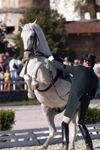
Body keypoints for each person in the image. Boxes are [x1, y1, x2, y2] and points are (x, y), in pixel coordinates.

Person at [48, 54, 99, 150]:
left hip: (74, 101)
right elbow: (92, 96)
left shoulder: (79, 69)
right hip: (84, 102)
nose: (82, 62)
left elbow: (62, 67)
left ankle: (65, 145)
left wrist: (52, 60)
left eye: (84, 60)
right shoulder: (95, 78)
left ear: (86, 62)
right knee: (81, 124)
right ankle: (89, 146)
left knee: (65, 122)